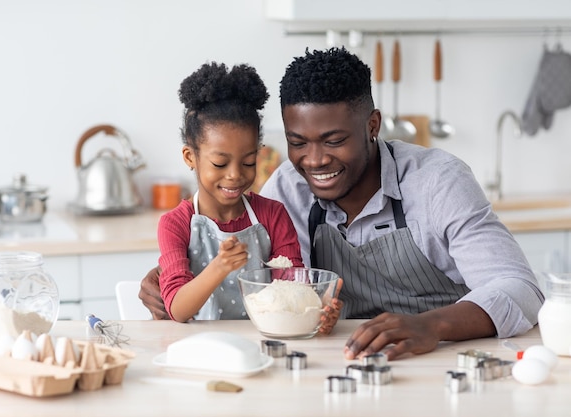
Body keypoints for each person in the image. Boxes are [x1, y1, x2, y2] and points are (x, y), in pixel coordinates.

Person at [140, 48, 543, 359]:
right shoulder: (287, 188)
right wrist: (173, 276)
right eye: (298, 142)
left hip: (442, 355)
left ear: (372, 125)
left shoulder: (437, 182)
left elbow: (519, 288)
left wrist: (431, 326)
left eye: (334, 141)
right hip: (340, 357)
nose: (314, 160)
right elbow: (268, 273)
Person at [155, 61, 341, 330]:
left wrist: (319, 308)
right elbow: (178, 309)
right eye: (220, 163)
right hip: (200, 348)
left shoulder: (272, 215)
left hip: (267, 341)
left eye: (248, 162)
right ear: (190, 157)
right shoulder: (175, 224)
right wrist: (220, 267)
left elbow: (295, 286)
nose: (235, 175)